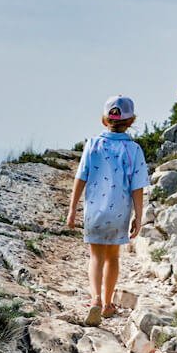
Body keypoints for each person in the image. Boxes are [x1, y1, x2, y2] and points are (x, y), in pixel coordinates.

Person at [66, 95, 149, 326]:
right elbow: (137, 187)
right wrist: (139, 217)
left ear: (104, 120)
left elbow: (80, 177)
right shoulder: (133, 150)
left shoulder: (93, 144)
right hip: (119, 212)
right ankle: (108, 304)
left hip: (95, 211)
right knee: (113, 257)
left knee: (95, 256)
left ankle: (95, 299)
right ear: (131, 121)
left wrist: (72, 209)